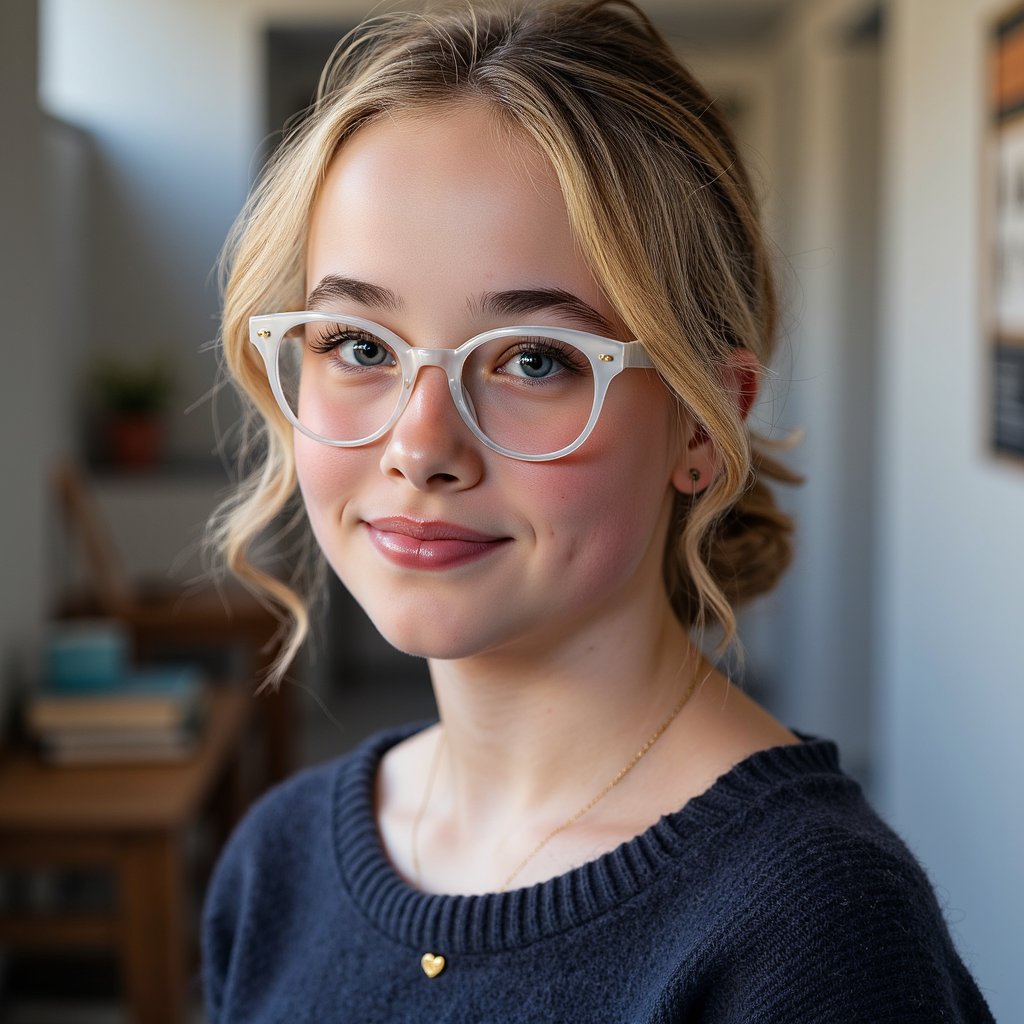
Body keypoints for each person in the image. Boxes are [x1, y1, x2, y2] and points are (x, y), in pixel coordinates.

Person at [200, 1, 994, 1020]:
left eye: (536, 360)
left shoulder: (812, 931)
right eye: (357, 345)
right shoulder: (278, 860)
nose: (420, 446)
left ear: (705, 425)